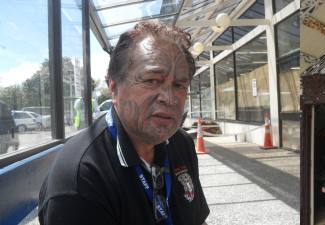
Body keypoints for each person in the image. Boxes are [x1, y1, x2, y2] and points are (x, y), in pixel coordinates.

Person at [38, 21, 209, 225]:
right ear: (114, 87)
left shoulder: (181, 143)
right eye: (152, 80)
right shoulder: (80, 181)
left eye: (179, 85)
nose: (169, 98)